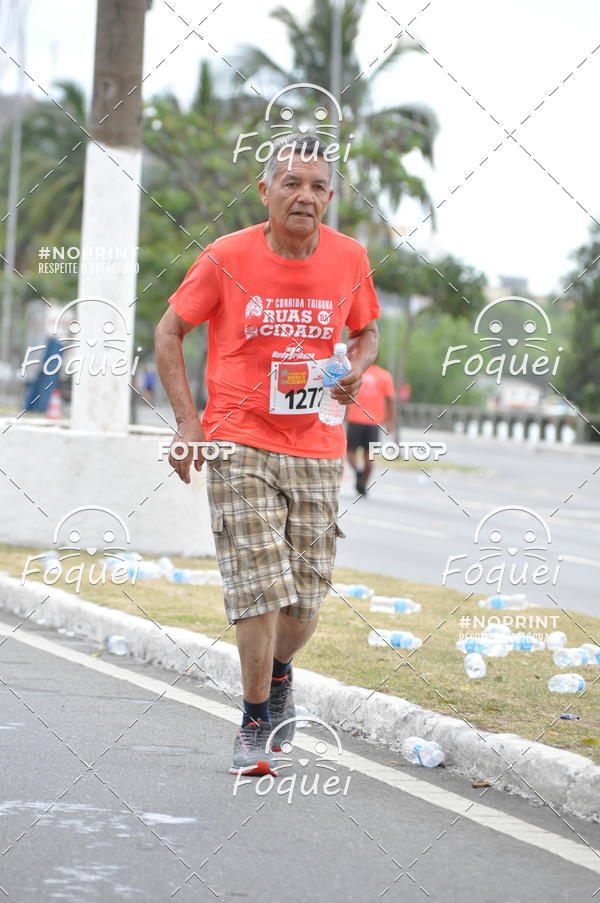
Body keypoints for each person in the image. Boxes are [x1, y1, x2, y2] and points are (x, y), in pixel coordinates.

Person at [155, 133, 380, 776]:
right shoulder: (227, 256)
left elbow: (366, 332)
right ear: (266, 191)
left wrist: (356, 367)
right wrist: (187, 423)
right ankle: (254, 720)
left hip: (317, 442)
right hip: (237, 438)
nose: (304, 196)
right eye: (292, 183)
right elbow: (169, 332)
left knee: (304, 600)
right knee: (259, 586)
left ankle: (280, 674)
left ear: (330, 198)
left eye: (317, 187)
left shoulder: (349, 257)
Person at [346, 361, 396, 495]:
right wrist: (390, 420)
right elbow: (391, 398)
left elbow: (345, 393)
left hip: (355, 419)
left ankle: (358, 472)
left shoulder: (355, 372)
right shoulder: (384, 375)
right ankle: (363, 484)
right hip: (374, 422)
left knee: (350, 452)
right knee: (369, 456)